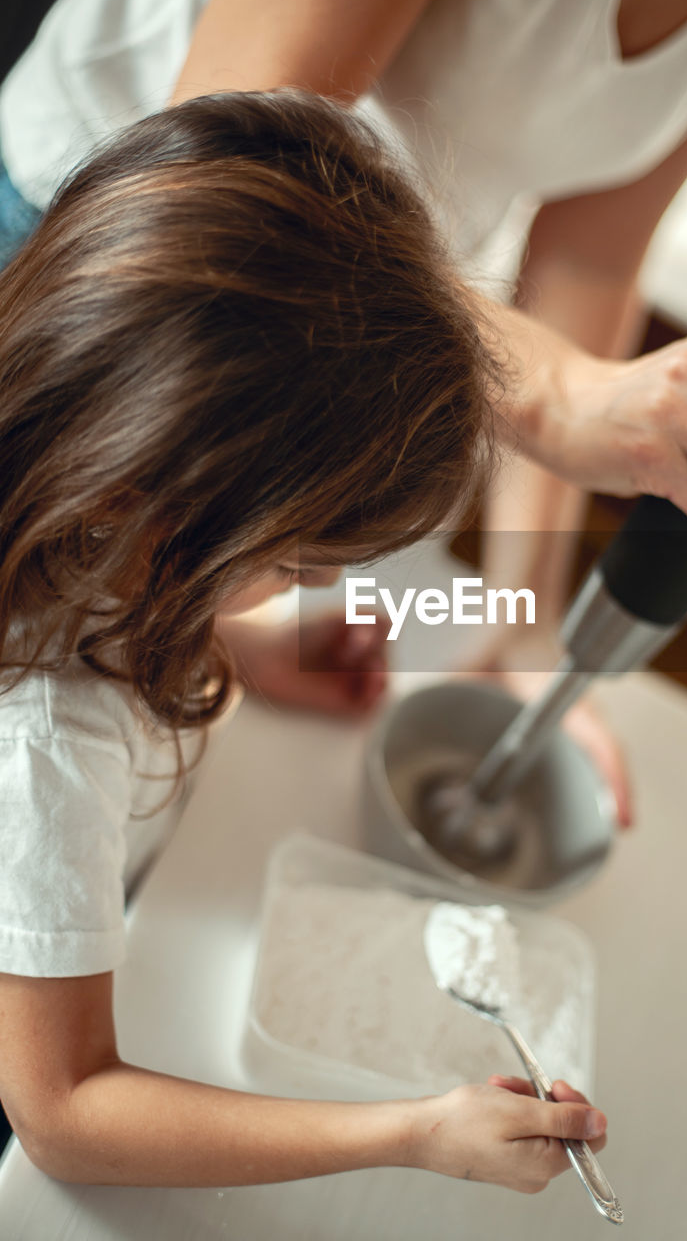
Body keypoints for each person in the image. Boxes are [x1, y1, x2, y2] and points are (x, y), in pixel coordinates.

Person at [0, 0, 687, 770]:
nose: (324, 583)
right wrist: (555, 396)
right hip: (125, 262)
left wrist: (520, 622)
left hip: (336, 342)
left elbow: (590, 258)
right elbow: (232, 179)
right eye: (298, 568)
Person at [0, 89, 607, 1189]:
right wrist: (415, 1131)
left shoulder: (89, 518)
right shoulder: (49, 746)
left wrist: (240, 646)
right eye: (295, 563)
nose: (313, 590)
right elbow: (64, 1106)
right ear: (161, 502)